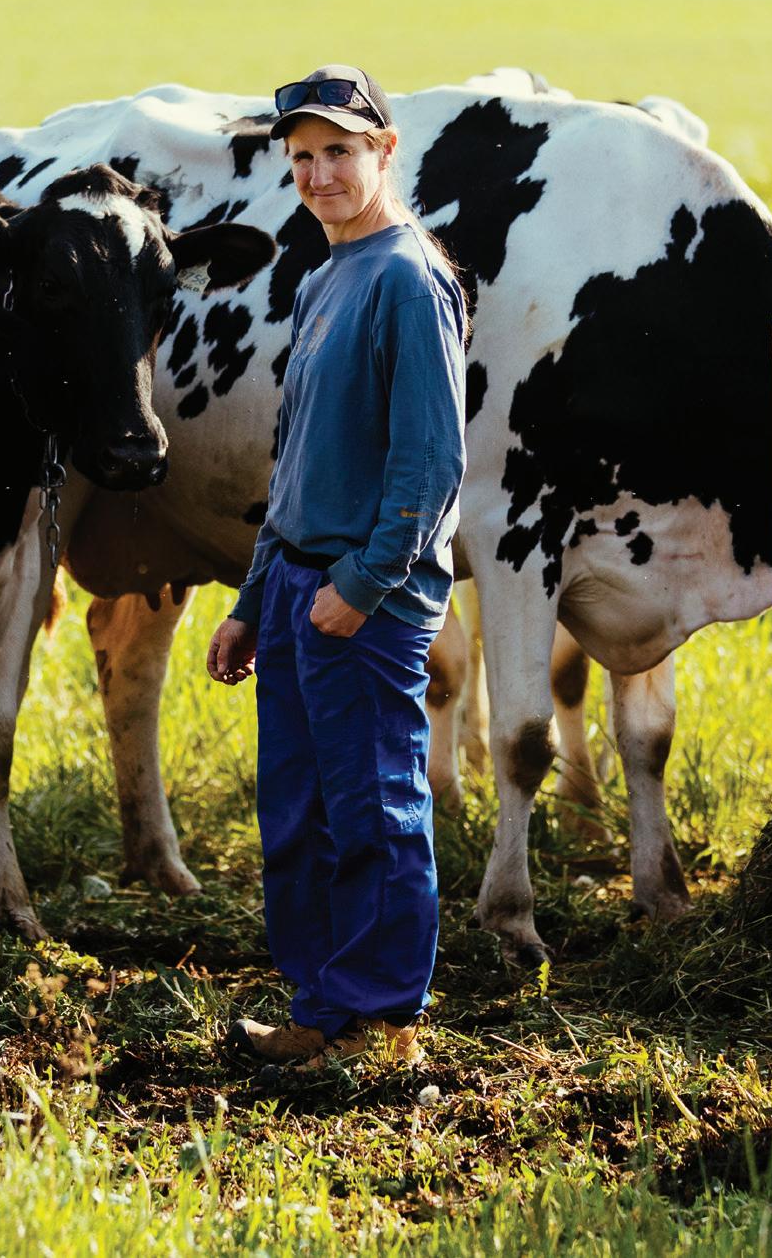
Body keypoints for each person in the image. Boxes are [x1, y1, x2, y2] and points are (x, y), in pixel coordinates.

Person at [206, 64, 468, 1071]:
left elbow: (430, 461)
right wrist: (252, 599)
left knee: (370, 808)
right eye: (302, 157)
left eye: (339, 152)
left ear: (384, 150)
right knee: (298, 813)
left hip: (365, 589)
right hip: (294, 582)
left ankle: (378, 1015)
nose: (319, 175)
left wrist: (359, 587)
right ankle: (321, 1005)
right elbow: (296, 459)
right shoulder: (325, 277)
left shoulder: (407, 277)